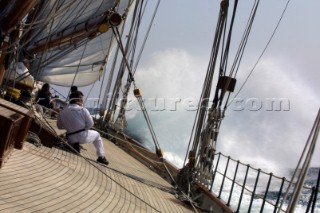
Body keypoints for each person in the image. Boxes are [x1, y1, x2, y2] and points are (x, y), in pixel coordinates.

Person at [57, 91, 109, 165]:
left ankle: (74, 146)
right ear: (78, 100)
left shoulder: (63, 111)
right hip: (82, 136)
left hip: (70, 138)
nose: (82, 101)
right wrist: (83, 128)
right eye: (82, 99)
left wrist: (70, 127)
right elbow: (91, 124)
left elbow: (59, 126)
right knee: (97, 135)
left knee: (73, 137)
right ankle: (101, 157)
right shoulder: (83, 110)